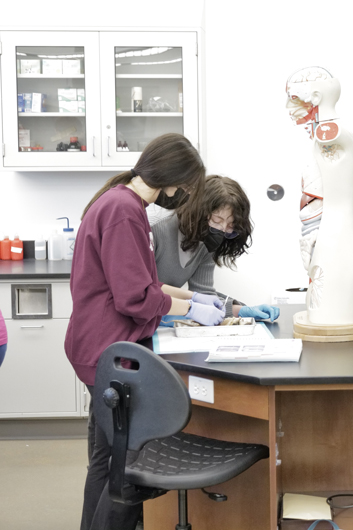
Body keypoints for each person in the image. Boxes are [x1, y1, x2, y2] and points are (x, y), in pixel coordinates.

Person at [65, 133, 220, 530]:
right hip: (109, 346)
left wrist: (198, 302)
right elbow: (134, 298)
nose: (183, 194)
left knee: (106, 458)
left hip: (102, 342)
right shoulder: (123, 210)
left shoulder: (122, 202)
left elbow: (146, 283)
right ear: (173, 178)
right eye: (186, 186)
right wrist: (191, 310)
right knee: (122, 464)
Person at [151, 174, 279, 322]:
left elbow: (204, 295)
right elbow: (139, 291)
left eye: (231, 225)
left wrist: (241, 311)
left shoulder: (206, 241)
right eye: (217, 220)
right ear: (198, 211)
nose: (223, 229)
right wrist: (189, 308)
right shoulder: (156, 230)